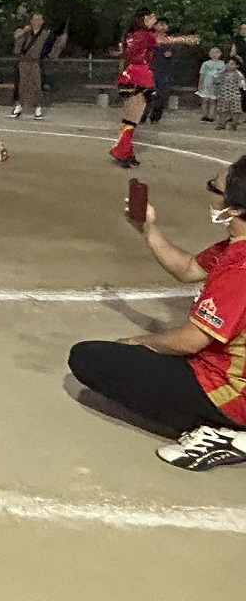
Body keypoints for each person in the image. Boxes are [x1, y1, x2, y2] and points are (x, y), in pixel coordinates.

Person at [67, 159, 246, 471]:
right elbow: (188, 268)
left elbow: (189, 341)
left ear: (233, 209)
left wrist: (141, 341)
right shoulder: (235, 246)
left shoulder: (240, 266)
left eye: (213, 187)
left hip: (232, 392)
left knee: (88, 358)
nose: (209, 192)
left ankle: (229, 431)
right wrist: (148, 229)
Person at [109, 9, 196, 168]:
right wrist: (186, 39)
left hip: (131, 73)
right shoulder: (144, 35)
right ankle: (121, 151)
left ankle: (125, 150)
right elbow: (163, 40)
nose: (154, 19)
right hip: (139, 74)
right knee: (132, 118)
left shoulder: (132, 35)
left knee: (129, 118)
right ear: (143, 19)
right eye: (151, 17)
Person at [9, 13, 64, 120]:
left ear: (42, 21)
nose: (36, 21)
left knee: (37, 84)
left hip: (36, 63)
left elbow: (54, 48)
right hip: (23, 62)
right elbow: (16, 42)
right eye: (34, 19)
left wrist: (61, 42)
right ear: (31, 20)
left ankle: (38, 107)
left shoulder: (46, 34)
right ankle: (19, 105)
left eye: (39, 19)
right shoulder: (24, 32)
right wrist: (24, 31)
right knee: (21, 85)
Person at [141, 22, 178, 124]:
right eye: (159, 24)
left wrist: (170, 56)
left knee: (161, 95)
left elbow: (176, 58)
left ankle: (155, 117)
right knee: (147, 94)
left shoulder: (171, 42)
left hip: (164, 73)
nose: (161, 27)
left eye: (164, 25)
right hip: (150, 70)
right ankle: (142, 115)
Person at [214, 57, 245, 131]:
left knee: (236, 110)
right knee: (222, 110)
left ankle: (234, 124)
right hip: (223, 95)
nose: (229, 65)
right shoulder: (222, 73)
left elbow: (242, 84)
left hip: (235, 95)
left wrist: (243, 89)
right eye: (227, 63)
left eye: (232, 64)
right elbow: (216, 81)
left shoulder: (238, 74)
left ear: (237, 66)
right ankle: (221, 123)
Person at [199, 47, 225, 123]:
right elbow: (202, 75)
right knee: (205, 100)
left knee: (213, 100)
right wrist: (200, 84)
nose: (215, 54)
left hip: (216, 85)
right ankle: (204, 115)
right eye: (212, 52)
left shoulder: (222, 64)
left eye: (217, 52)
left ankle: (211, 116)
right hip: (207, 83)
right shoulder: (206, 64)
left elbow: (223, 75)